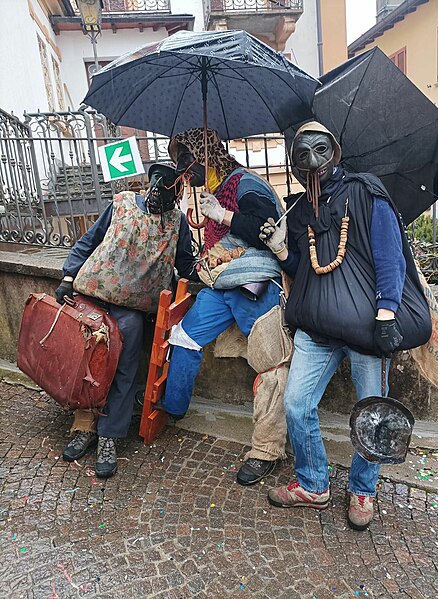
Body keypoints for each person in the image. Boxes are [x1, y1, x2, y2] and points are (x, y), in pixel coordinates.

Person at [259, 121, 431, 530]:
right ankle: (314, 484)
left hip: (366, 332)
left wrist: (387, 311)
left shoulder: (365, 191)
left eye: (320, 150)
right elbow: (306, 270)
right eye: (302, 154)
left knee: (374, 414)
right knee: (297, 405)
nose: (312, 161)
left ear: (334, 151)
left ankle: (363, 489)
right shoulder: (300, 210)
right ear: (295, 163)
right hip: (317, 331)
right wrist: (281, 247)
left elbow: (391, 254)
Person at [154, 128, 289, 485]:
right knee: (184, 336)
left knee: (271, 363)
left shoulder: (246, 184)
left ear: (206, 153)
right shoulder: (215, 188)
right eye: (178, 161)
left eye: (186, 159)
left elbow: (264, 227)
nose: (182, 169)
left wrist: (224, 215)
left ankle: (267, 449)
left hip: (254, 286)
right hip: (221, 285)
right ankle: (174, 406)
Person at [56, 163, 198, 478]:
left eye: (170, 187)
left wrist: (210, 271)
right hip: (93, 296)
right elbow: (89, 241)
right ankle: (85, 427)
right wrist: (68, 276)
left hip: (132, 309)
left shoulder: (177, 223)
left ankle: (109, 434)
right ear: (149, 183)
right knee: (88, 361)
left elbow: (186, 262)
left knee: (123, 364)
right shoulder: (121, 203)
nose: (160, 190)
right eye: (157, 182)